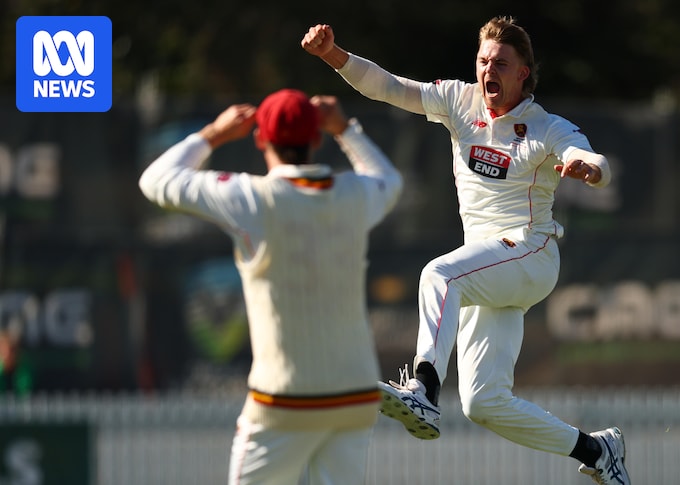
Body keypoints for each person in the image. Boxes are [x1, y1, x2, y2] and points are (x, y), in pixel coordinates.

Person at [302, 16, 630, 484]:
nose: (487, 69)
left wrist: (588, 168)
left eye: (500, 62)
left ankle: (422, 389)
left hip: (531, 255)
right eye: (482, 60)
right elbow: (390, 88)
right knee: (484, 403)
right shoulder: (459, 100)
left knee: (439, 275)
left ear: (523, 73)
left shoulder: (545, 126)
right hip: (489, 266)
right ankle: (598, 450)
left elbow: (585, 154)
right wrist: (333, 55)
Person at [139, 90, 403, 485]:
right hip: (355, 393)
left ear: (261, 140)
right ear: (316, 140)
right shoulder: (353, 194)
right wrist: (345, 129)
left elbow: (155, 180)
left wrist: (213, 134)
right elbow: (389, 179)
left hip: (284, 399)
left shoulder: (251, 198)